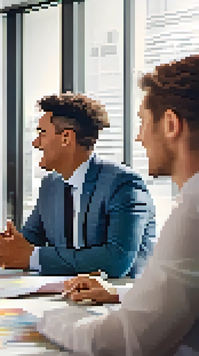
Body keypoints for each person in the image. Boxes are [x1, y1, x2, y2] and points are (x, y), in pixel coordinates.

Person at [37, 55, 199, 356]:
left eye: (143, 122)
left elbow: (125, 341)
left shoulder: (194, 208)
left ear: (171, 124)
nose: (139, 137)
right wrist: (121, 295)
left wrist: (46, 320)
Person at [0, 93, 156, 277]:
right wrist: (8, 246)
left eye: (42, 133)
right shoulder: (50, 185)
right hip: (65, 296)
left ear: (66, 137)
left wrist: (33, 257)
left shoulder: (124, 185)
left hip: (118, 300)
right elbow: (28, 241)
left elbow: (116, 261)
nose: (36, 143)